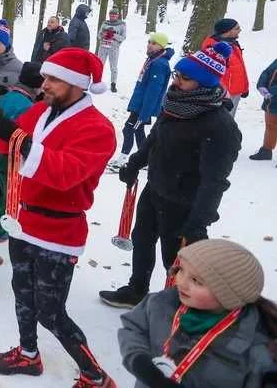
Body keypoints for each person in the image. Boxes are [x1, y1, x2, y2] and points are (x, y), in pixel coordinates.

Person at [0, 47, 118, 387]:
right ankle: (28, 355)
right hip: (22, 221)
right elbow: (6, 144)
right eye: (46, 77)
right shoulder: (40, 111)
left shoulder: (98, 128)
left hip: (59, 230)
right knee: (22, 293)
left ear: (77, 84)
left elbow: (64, 173)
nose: (45, 83)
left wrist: (15, 137)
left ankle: (95, 375)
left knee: (50, 312)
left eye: (54, 79)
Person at [100, 43, 242, 310]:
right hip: (155, 190)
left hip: (185, 203)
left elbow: (215, 180)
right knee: (142, 239)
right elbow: (154, 140)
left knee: (177, 259)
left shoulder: (219, 125)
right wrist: (134, 163)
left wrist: (199, 220)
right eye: (176, 74)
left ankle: (186, 309)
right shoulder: (175, 104)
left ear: (204, 83)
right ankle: (137, 289)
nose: (176, 81)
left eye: (184, 78)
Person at [118, 239, 277, 387]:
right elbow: (134, 328)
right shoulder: (161, 303)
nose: (180, 282)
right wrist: (139, 360)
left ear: (228, 295)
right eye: (181, 270)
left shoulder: (256, 348)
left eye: (197, 281)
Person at [0, 62, 44, 265]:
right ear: (38, 85)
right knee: (11, 202)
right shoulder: (27, 106)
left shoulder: (6, 97)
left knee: (2, 195)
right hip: (13, 159)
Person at [112, 33, 174, 167]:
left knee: (128, 130)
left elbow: (154, 91)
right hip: (139, 104)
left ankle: (122, 160)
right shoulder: (152, 59)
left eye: (154, 43)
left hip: (143, 107)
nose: (150, 45)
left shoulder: (159, 64)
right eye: (149, 42)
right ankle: (147, 160)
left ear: (161, 46)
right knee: (138, 131)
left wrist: (145, 112)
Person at [201, 18, 249, 116]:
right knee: (220, 122)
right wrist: (220, 93)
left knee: (229, 120)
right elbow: (211, 73)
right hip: (223, 94)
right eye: (237, 28)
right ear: (227, 31)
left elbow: (240, 67)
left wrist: (244, 87)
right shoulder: (213, 48)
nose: (240, 30)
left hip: (236, 91)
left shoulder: (233, 44)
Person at [250, 58, 277, 162]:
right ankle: (266, 150)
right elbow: (267, 72)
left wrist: (271, 91)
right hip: (272, 101)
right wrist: (261, 85)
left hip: (272, 96)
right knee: (271, 125)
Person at [97, 7, 126, 92]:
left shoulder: (122, 25)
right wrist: (104, 34)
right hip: (103, 47)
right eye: (111, 14)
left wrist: (113, 35)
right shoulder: (105, 23)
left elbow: (123, 37)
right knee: (99, 64)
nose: (112, 16)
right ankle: (97, 80)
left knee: (113, 67)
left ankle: (113, 84)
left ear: (117, 15)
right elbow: (99, 35)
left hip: (113, 48)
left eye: (114, 14)